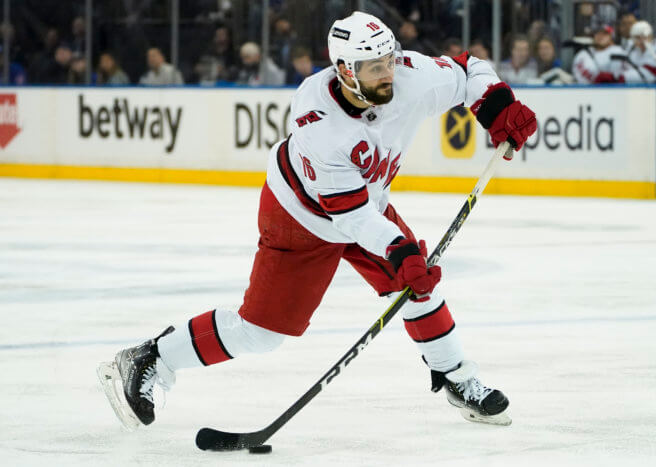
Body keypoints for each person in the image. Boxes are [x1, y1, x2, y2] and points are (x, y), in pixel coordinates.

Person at [97, 11, 537, 432]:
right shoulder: (320, 121)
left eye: (389, 60)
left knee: (418, 285)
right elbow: (350, 217)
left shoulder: (408, 75)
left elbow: (468, 69)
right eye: (375, 68)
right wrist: (398, 250)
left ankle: (457, 377)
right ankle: (153, 359)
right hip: (300, 217)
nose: (388, 73)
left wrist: (498, 107)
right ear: (345, 71)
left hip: (364, 204)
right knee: (261, 333)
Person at [572, 25, 647, 84]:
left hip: (610, 91)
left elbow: (622, 75)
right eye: (598, 33)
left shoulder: (618, 52)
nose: (600, 36)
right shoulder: (584, 52)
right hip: (581, 90)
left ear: (611, 37)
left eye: (605, 34)